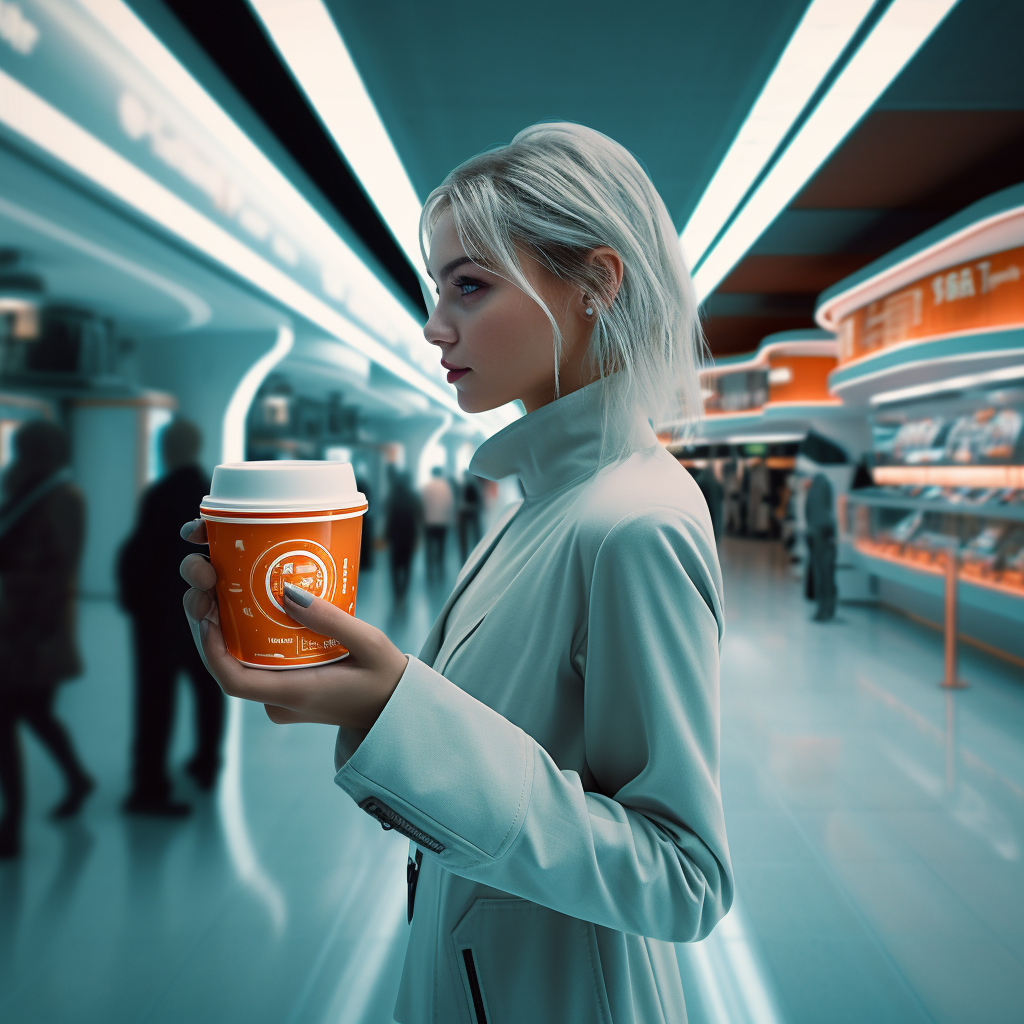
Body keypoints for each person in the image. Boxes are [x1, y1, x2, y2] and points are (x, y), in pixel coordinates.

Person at [180, 123, 732, 1022]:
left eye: (469, 287)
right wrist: (342, 683)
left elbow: (682, 878)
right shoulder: (541, 503)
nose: (436, 325)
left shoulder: (634, 524)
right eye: (439, 289)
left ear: (596, 283)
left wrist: (393, 705)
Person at [117, 419, 224, 815]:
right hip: (206, 609)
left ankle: (150, 784)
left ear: (167, 449)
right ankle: (207, 763)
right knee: (209, 687)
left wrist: (132, 596)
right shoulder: (212, 495)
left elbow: (142, 553)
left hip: (159, 615)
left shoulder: (160, 494)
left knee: (156, 697)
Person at [0, 420, 92, 859]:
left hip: (33, 633)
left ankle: (11, 826)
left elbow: (58, 571)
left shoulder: (59, 496)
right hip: (21, 630)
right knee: (35, 716)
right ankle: (76, 778)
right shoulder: (29, 488)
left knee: (12, 722)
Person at [384, 471, 422, 605]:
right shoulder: (413, 497)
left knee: (394, 566)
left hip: (395, 537)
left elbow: (388, 518)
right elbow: (419, 517)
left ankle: (397, 593)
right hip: (409, 536)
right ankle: (404, 592)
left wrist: (386, 536)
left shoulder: (392, 497)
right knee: (407, 566)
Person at [805, 471, 837, 622]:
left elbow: (808, 512)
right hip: (828, 532)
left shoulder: (813, 489)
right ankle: (829, 610)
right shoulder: (827, 485)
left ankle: (821, 610)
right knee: (828, 574)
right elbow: (829, 507)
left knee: (820, 573)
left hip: (815, 533)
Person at [420, 466, 454, 581]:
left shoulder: (427, 487)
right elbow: (449, 504)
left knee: (429, 547)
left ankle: (429, 569)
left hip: (428, 522)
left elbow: (422, 504)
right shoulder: (445, 487)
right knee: (441, 546)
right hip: (442, 522)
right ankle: (440, 568)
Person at [457, 474, 483, 563]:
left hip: (465, 512)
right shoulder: (474, 486)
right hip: (472, 512)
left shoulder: (464, 486)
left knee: (466, 538)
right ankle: (476, 557)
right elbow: (479, 501)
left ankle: (465, 558)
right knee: (475, 536)